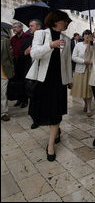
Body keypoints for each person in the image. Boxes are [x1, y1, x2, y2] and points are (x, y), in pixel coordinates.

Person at [26, 10, 73, 162]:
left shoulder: (66, 38)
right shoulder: (41, 34)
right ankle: (56, 131)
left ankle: (51, 145)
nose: (67, 23)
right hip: (43, 81)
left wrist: (69, 79)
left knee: (56, 112)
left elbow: (67, 62)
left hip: (59, 82)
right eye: (65, 20)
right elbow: (34, 53)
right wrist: (51, 45)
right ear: (56, 21)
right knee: (45, 111)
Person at [20, 19, 43, 129]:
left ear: (38, 27)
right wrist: (26, 52)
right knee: (32, 97)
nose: (30, 28)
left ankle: (41, 116)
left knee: (40, 97)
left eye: (32, 26)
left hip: (41, 73)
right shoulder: (27, 40)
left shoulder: (45, 40)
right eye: (29, 26)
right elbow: (20, 55)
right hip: (30, 73)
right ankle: (35, 119)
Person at [71, 29, 94, 116]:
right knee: (82, 89)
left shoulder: (93, 46)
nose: (87, 36)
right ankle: (85, 103)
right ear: (83, 36)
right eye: (85, 34)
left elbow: (94, 57)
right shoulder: (78, 45)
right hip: (80, 70)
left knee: (89, 90)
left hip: (90, 70)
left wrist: (89, 44)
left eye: (89, 34)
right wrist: (83, 61)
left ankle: (89, 107)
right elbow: (73, 57)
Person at [10, 21, 31, 108]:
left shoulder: (28, 37)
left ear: (21, 28)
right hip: (16, 62)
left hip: (25, 62)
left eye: (15, 27)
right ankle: (19, 99)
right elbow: (11, 48)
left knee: (24, 82)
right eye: (13, 27)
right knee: (17, 81)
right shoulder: (13, 39)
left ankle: (25, 100)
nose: (14, 29)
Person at [1, 35, 15, 121]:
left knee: (3, 93)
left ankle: (4, 113)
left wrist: (12, 68)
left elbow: (10, 56)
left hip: (4, 72)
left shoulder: (5, 40)